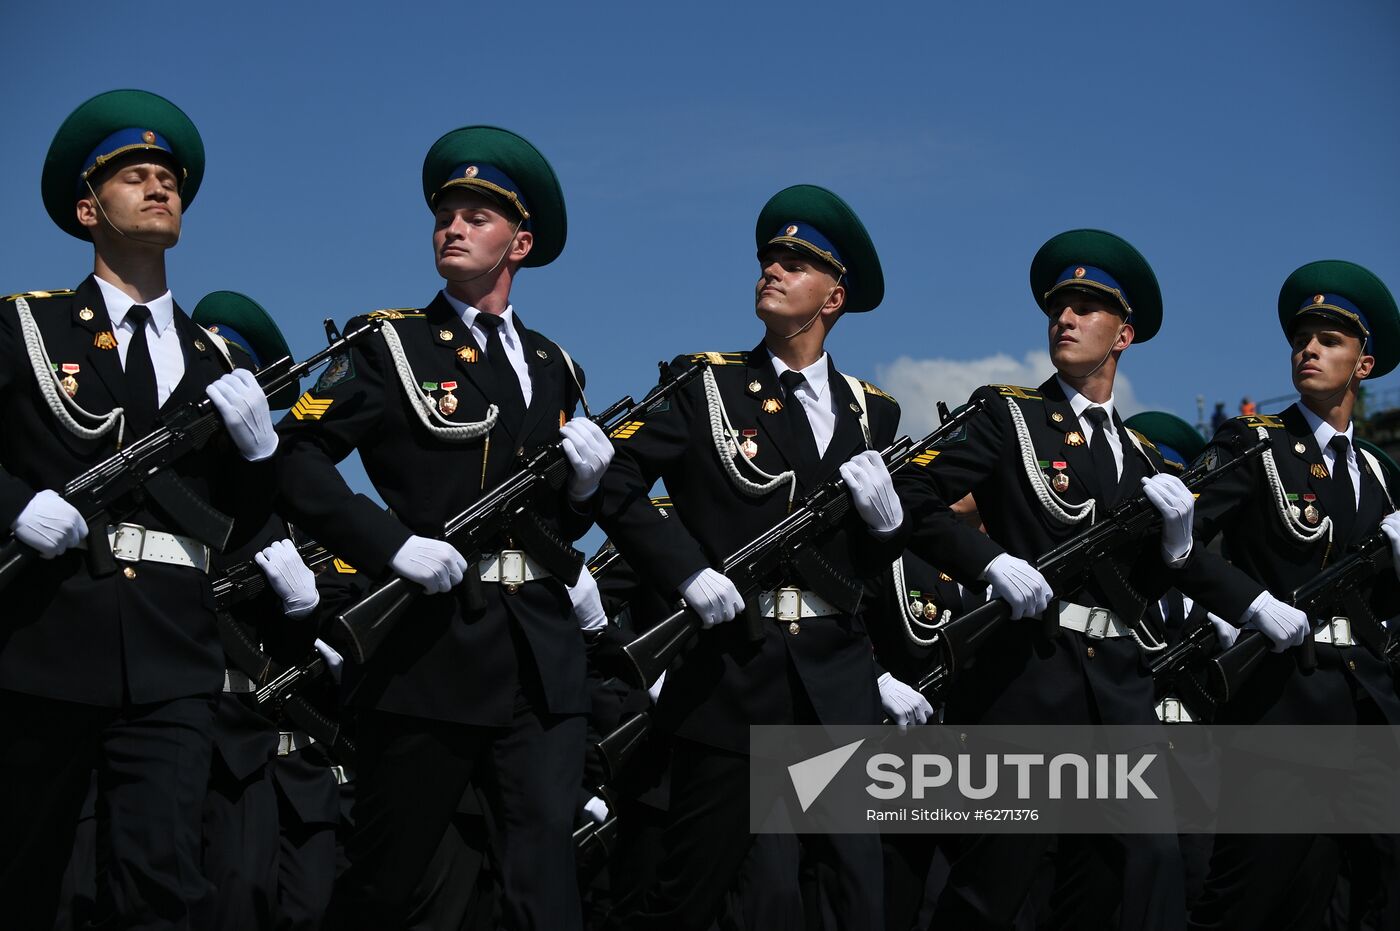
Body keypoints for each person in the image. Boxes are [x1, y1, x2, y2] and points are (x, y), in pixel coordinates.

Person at [273, 124, 612, 930]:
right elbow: (298, 459)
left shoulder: (557, 364)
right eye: (445, 214)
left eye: (477, 217)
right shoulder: (392, 342)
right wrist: (389, 545)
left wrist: (589, 487)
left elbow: (556, 520)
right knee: (392, 879)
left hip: (538, 654)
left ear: (519, 243)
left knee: (544, 886)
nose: (452, 227)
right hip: (433, 650)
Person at [0, 89, 281, 929]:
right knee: (25, 868)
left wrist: (262, 455)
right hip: (45, 634)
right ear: (89, 208)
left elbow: (248, 528)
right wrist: (13, 505)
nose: (159, 187)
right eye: (134, 176)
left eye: (169, 177)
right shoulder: (28, 328)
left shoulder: (216, 360)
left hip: (172, 651)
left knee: (163, 878)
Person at [596, 184, 906, 930]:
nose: (772, 269)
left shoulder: (874, 411)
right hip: (737, 669)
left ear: (834, 295)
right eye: (770, 257)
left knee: (859, 893)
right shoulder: (707, 385)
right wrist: (687, 570)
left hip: (835, 681)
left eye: (795, 263)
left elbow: (862, 563)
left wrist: (888, 527)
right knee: (697, 888)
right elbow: (616, 479)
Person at [894, 229, 1195, 930]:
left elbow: (1142, 583)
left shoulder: (1143, 457)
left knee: (1137, 864)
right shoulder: (1008, 414)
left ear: (1123, 334)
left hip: (1116, 691)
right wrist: (990, 561)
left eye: (1087, 308)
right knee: (992, 886)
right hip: (1026, 682)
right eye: (1060, 306)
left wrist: (1177, 545)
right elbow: (912, 493)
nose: (1065, 317)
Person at [1178, 261, 1400, 931]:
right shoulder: (1254, 444)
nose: (1309, 348)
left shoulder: (1383, 473)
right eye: (1303, 337)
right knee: (1253, 895)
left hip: (1369, 714)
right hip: (1284, 709)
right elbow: (1178, 549)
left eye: (1330, 339)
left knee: (1374, 896)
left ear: (1364, 365)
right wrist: (1251, 604)